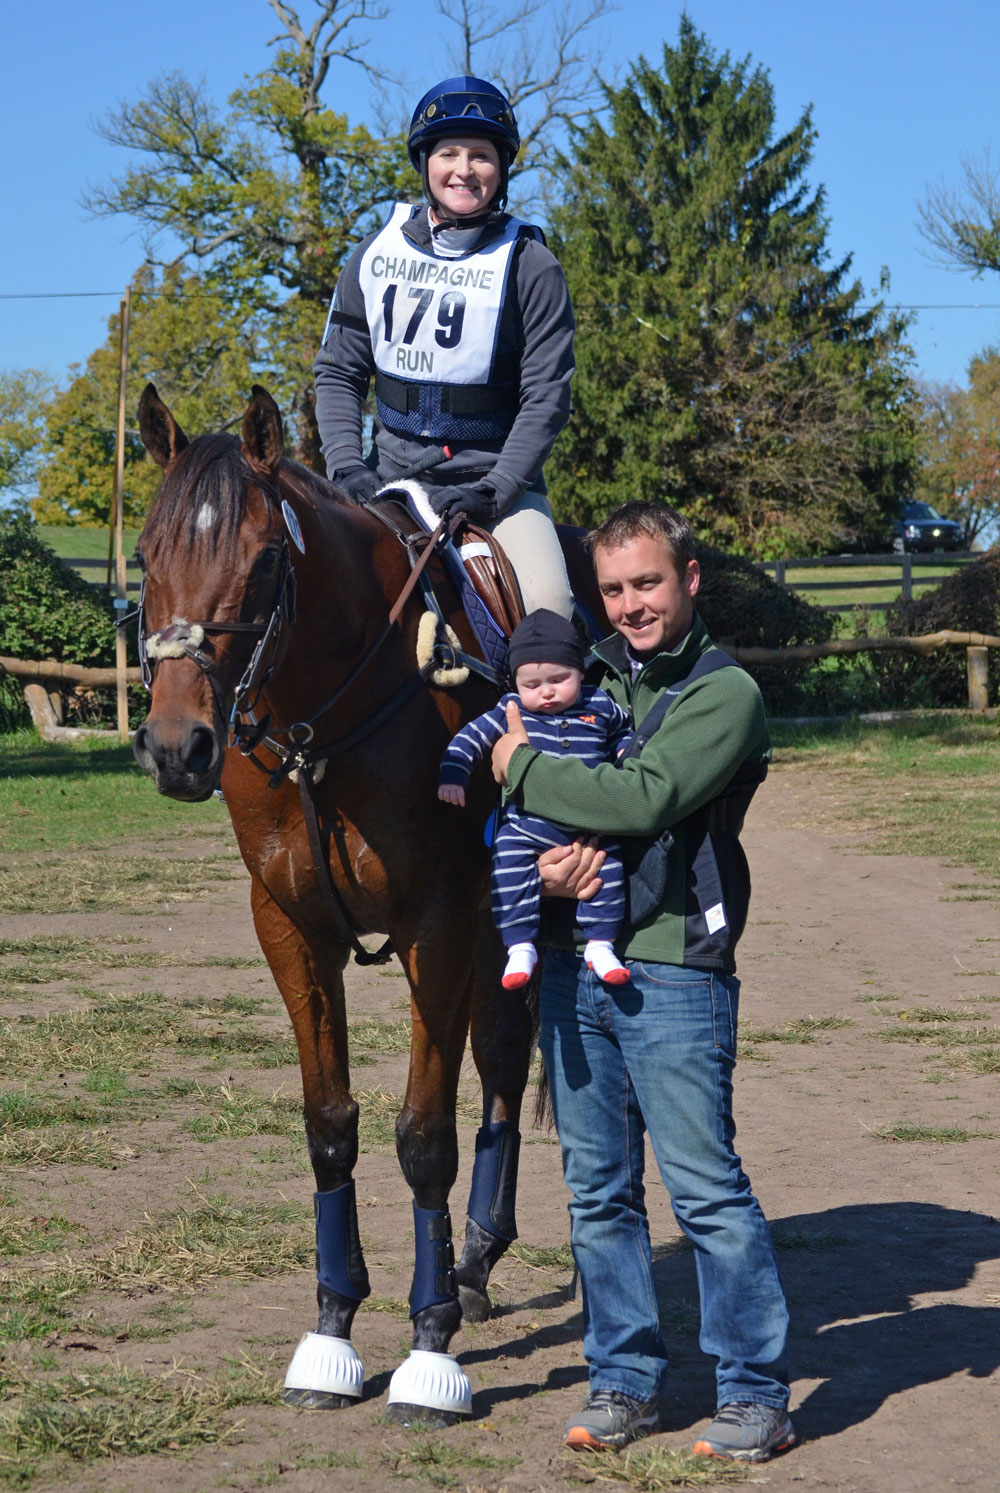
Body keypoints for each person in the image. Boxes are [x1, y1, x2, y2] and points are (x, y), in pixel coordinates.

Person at [491, 501, 795, 1464]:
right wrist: (542, 867)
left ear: (691, 578)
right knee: (598, 1194)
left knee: (705, 1191)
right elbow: (576, 815)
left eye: (647, 583)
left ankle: (755, 1392)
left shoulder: (725, 693)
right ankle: (624, 1378)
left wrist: (515, 766)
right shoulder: (593, 681)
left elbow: (645, 797)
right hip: (579, 966)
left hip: (672, 968)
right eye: (613, 588)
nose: (629, 604)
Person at [314, 75, 575, 618]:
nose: (463, 169)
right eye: (448, 152)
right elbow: (339, 372)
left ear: (501, 169)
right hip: (384, 484)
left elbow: (546, 397)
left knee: (551, 606)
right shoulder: (371, 255)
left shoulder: (532, 266)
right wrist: (345, 468)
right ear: (425, 162)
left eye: (480, 155)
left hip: (494, 494)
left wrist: (496, 489)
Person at [439, 609, 632, 990]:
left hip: (590, 821)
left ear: (581, 672)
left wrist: (626, 752)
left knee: (610, 864)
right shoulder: (512, 709)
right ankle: (519, 945)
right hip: (529, 827)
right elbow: (469, 738)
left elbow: (625, 730)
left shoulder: (600, 704)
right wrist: (454, 772)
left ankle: (600, 943)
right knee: (508, 861)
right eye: (532, 684)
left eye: (559, 679)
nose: (546, 692)